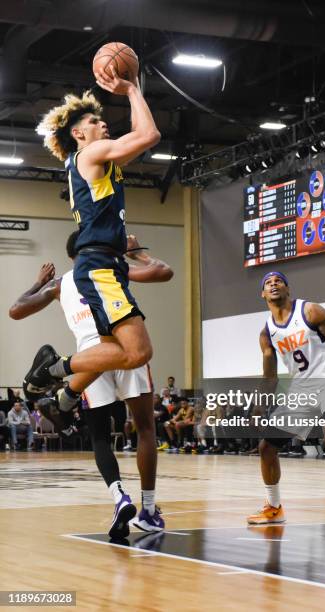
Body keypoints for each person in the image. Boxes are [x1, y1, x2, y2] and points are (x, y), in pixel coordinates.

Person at [9, 231, 172, 538]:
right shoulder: (111, 268)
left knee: (99, 436)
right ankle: (148, 511)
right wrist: (136, 252)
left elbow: (16, 310)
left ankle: (118, 495)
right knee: (146, 429)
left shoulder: (61, 284)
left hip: (91, 360)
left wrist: (40, 282)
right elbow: (163, 271)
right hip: (123, 347)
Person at [23, 64, 160, 414]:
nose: (102, 124)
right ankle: (53, 369)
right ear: (78, 133)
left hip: (103, 264)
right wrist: (131, 90)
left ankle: (64, 397)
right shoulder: (90, 153)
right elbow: (149, 136)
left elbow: (139, 139)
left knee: (117, 348)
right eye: (94, 122)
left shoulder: (95, 161)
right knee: (138, 353)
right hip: (99, 264)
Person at [247, 271, 325, 528]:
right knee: (266, 448)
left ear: (287, 288)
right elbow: (269, 376)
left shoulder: (310, 312)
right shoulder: (267, 332)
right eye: (268, 283)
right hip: (301, 390)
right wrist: (259, 406)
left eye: (278, 281)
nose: (273, 284)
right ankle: (274, 507)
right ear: (262, 294)